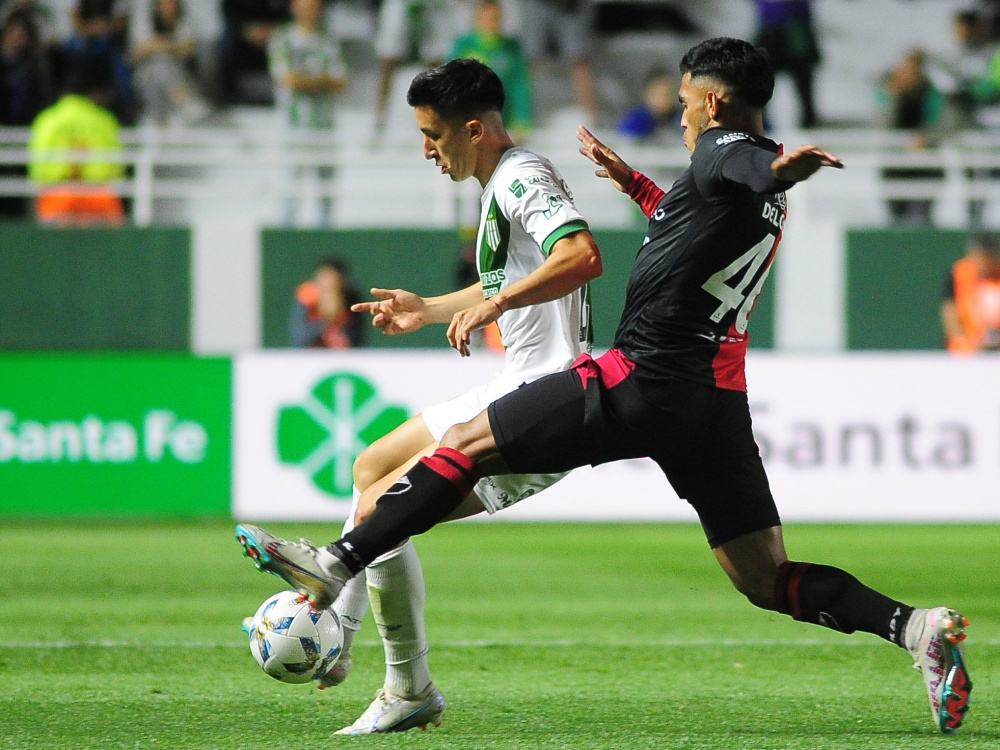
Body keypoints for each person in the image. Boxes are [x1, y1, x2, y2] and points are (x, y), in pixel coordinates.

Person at [235, 38, 973, 736]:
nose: (681, 114)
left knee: (464, 443)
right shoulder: (736, 182)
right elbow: (702, 221)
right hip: (712, 402)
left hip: (645, 376)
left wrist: (782, 169)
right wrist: (641, 186)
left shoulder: (734, 155)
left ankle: (336, 565)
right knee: (765, 578)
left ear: (714, 105)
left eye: (686, 101)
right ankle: (916, 628)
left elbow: (739, 175)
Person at [243, 56, 602, 734]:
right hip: (515, 380)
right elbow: (513, 280)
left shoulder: (521, 177)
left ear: (473, 128)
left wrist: (495, 309)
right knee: (370, 469)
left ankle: (404, 682)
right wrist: (430, 308)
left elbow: (580, 256)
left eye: (433, 136)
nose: (427, 151)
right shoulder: (503, 180)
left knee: (386, 510)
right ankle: (340, 631)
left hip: (545, 401)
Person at [268, 0, 346, 226]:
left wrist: (304, 81)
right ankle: (285, 229)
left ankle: (327, 229)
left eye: (314, 5)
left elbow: (340, 82)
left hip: (324, 125)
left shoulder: (329, 42)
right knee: (290, 181)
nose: (310, 9)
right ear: (294, 7)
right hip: (293, 125)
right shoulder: (282, 40)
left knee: (326, 184)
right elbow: (287, 79)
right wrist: (322, 81)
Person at [28, 53, 125, 226]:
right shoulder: (105, 121)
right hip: (99, 200)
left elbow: (37, 171)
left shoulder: (47, 120)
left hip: (57, 198)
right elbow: (116, 171)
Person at [876, 50, 945, 225]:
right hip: (895, 164)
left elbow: (942, 123)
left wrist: (926, 138)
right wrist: (894, 98)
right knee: (895, 217)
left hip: (926, 164)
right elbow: (883, 124)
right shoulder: (887, 93)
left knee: (923, 215)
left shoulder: (932, 94)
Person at [449, 0, 532, 139]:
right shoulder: (463, 46)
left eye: (495, 17)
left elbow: (520, 86)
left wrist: (522, 120)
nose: (491, 21)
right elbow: (448, 82)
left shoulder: (511, 49)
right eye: (486, 17)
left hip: (500, 120)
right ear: (477, 18)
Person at [372, 0, 455, 132]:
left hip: (432, 5)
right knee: (389, 58)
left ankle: (435, 115)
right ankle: (379, 117)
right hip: (400, 4)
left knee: (434, 62)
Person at [129, 0, 207, 126]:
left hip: (178, 75)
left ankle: (154, 115)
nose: (167, 8)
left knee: (161, 64)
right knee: (157, 64)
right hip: (145, 75)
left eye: (170, 4)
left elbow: (188, 49)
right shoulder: (145, 22)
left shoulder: (184, 22)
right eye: (163, 4)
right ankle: (183, 102)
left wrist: (157, 45)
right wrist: (170, 45)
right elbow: (136, 51)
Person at [519, 0, 598, 124]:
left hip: (572, 7)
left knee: (580, 61)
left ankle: (592, 121)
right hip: (536, 4)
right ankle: (524, 119)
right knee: (529, 60)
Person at [750, 0, 820, 128]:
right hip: (770, 29)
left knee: (803, 77)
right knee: (763, 78)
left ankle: (809, 118)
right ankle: (759, 119)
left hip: (796, 29)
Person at [216, 0, 291, 106]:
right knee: (226, 43)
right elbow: (230, 15)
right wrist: (249, 31)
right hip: (244, 36)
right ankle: (228, 98)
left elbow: (290, 15)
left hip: (277, 33)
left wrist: (273, 30)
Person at [941, 233, 1000, 354]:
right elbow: (950, 315)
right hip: (965, 353)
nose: (982, 263)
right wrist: (969, 344)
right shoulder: (958, 275)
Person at [290, 256, 366, 348]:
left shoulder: (353, 301)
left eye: (333, 281)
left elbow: (357, 339)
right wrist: (324, 330)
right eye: (325, 278)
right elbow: (299, 337)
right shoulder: (307, 298)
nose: (328, 284)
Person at [618, 68, 681, 141]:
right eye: (661, 94)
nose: (666, 99)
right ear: (648, 93)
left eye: (670, 93)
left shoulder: (678, 118)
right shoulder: (636, 121)